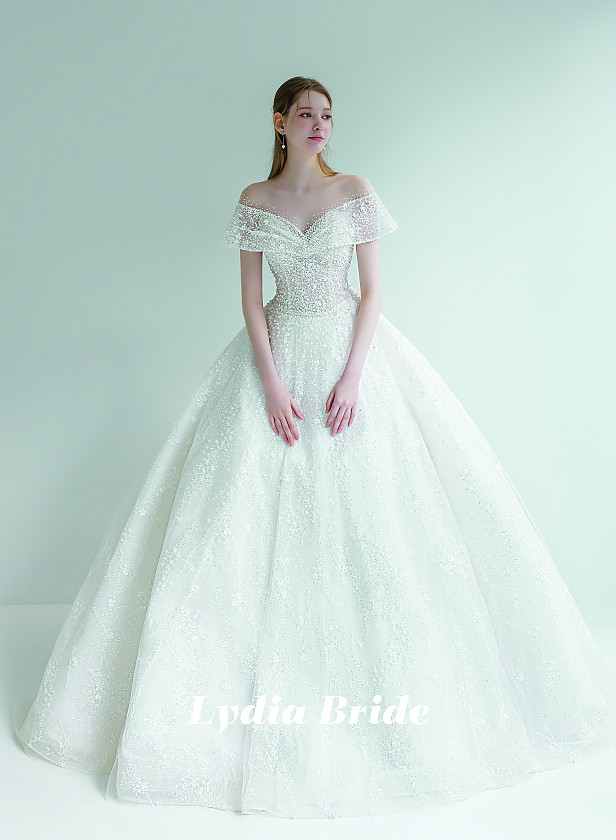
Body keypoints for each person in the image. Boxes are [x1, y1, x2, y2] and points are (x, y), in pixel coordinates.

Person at [14, 76, 616, 820]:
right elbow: (249, 300)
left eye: (327, 115)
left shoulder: (354, 191)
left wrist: (354, 376)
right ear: (280, 121)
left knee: (381, 517)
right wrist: (269, 383)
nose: (320, 124)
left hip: (347, 357)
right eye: (306, 114)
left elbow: (373, 293)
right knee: (235, 518)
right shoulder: (255, 200)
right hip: (274, 360)